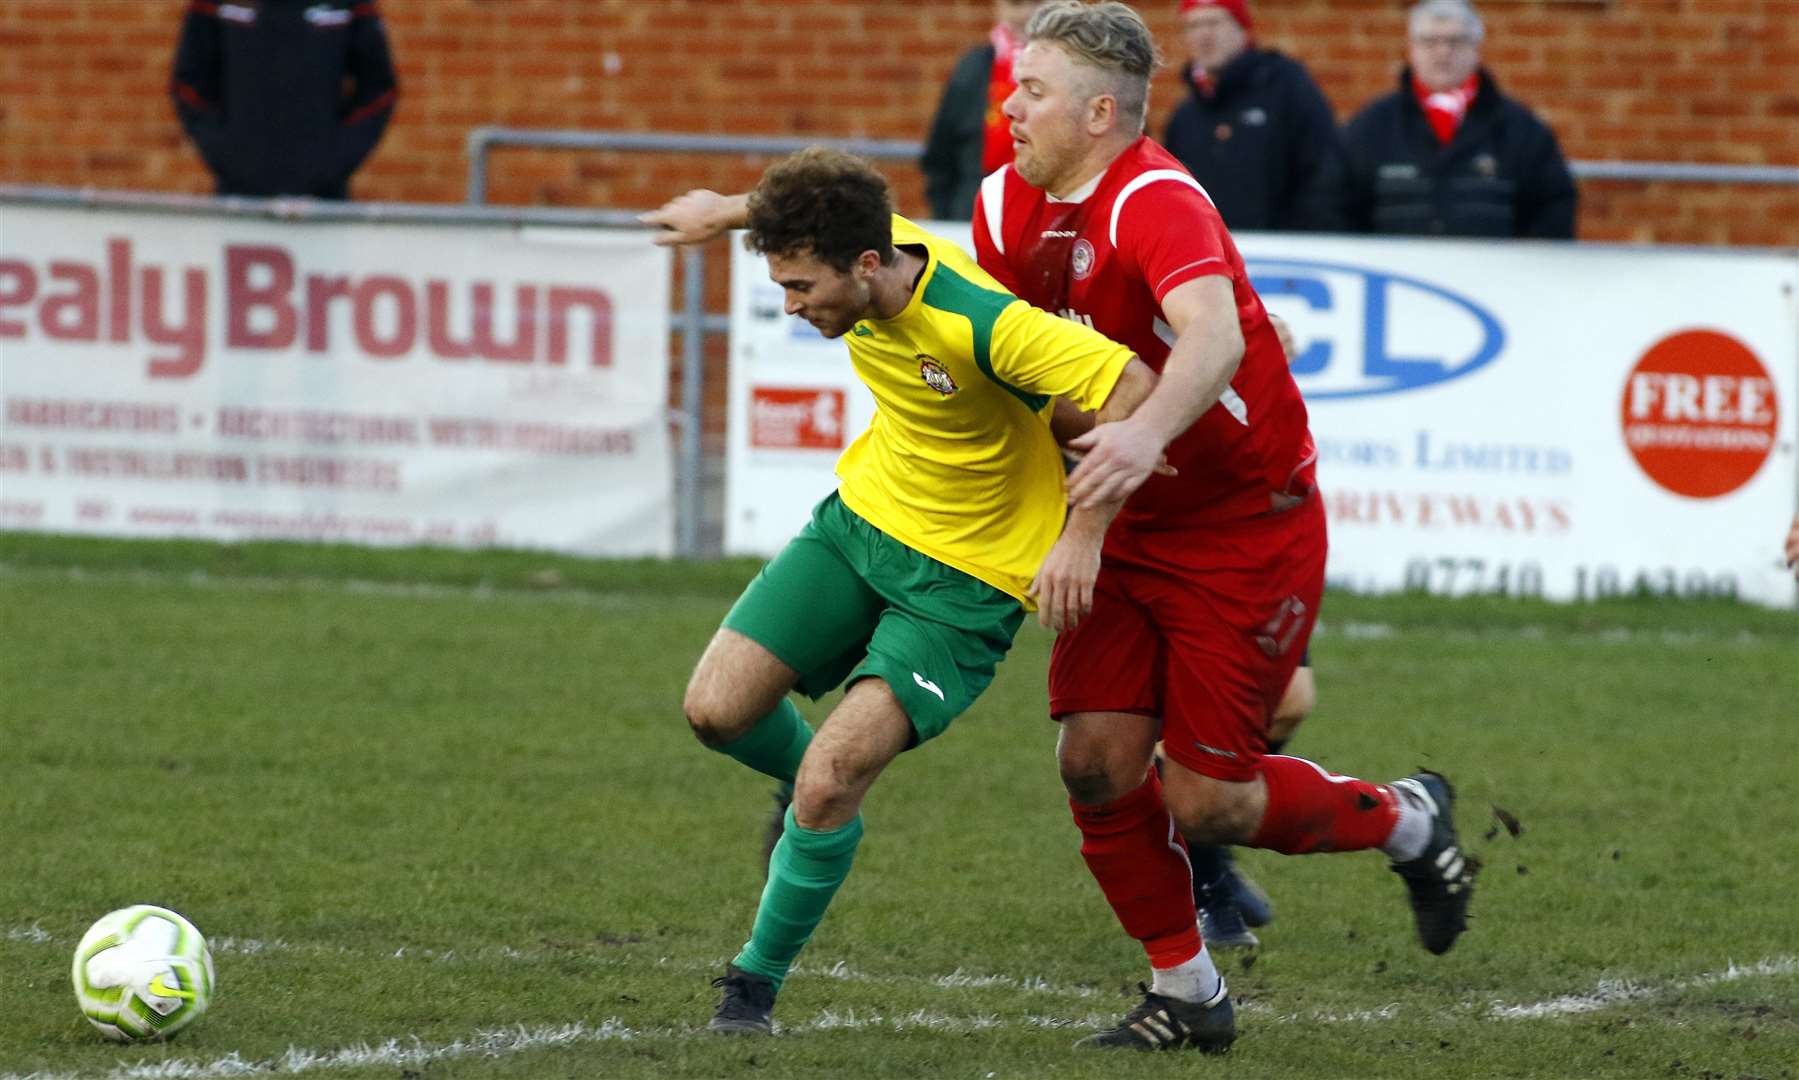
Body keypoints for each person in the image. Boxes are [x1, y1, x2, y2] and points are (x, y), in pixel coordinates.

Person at [972, 1, 1477, 1051]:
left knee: (1210, 805)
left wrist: (1136, 438)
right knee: (1095, 764)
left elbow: (1205, 342)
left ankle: (1406, 818)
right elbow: (1005, 353)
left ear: (1098, 110)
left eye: (1031, 89)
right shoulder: (999, 208)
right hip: (1127, 519)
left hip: (1243, 522)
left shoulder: (1153, 196)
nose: (1010, 106)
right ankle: (1188, 991)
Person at [641, 147, 1163, 1036]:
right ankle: (808, 794)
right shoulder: (864, 241)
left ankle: (750, 989)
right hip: (860, 526)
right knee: (713, 713)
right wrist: (715, 209)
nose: (791, 305)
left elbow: (1136, 388)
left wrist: (1081, 534)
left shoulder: (982, 322)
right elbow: (783, 200)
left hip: (963, 583)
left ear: (869, 267)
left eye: (802, 288)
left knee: (834, 777)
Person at [1340, 0, 1576, 238]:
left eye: (1456, 41)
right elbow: (1336, 209)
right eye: (1430, 42)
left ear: (1476, 50)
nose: (1443, 52)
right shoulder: (1371, 128)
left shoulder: (1521, 130)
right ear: (1411, 50)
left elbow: (1553, 210)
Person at [171, 0, 399, 199]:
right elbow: (189, 84)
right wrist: (231, 155)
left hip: (323, 198)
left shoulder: (346, 4)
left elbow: (379, 88)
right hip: (238, 194)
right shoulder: (218, 3)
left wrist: (333, 159)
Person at [1162, 0, 1347, 232]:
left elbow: (1323, 176)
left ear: (1242, 28)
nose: (1204, 35)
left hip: (1282, 255)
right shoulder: (1184, 118)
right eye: (1193, 26)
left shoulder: (1287, 90)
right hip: (1211, 260)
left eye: (1214, 22)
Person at [920, 1, 1048, 220]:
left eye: (1038, 2)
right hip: (974, 215)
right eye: (1016, 3)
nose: (1028, 14)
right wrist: (950, 216)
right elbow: (940, 155)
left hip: (1045, 215)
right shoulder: (972, 70)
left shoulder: (1074, 73)